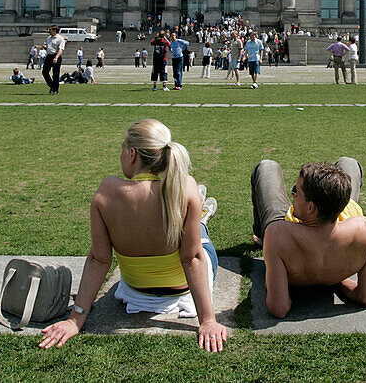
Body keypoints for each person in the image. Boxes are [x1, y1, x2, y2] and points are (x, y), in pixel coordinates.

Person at [39, 119, 227, 351]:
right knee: (198, 233)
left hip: (136, 294)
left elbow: (99, 260)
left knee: (187, 223)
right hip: (183, 292)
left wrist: (74, 320)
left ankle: (197, 217)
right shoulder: (186, 186)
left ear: (132, 154)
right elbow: (192, 258)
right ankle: (200, 219)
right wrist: (208, 320)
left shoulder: (107, 191)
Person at [250, 159, 366, 318]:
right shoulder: (364, 230)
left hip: (291, 236)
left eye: (295, 192)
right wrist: (336, 281)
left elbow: (279, 308)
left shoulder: (278, 235)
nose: (292, 195)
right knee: (349, 162)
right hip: (337, 224)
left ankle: (259, 236)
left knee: (267, 166)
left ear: (310, 207)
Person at [43, 26, 66, 95]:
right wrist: (45, 48)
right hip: (49, 56)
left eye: (50, 30)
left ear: (55, 30)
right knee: (45, 72)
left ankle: (55, 89)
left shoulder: (60, 39)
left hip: (56, 56)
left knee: (55, 74)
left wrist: (56, 57)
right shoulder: (49, 38)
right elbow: (49, 47)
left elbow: (61, 49)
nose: (49, 31)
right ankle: (52, 85)